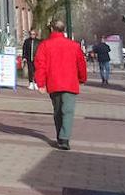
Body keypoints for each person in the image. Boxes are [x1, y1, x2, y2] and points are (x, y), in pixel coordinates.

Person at [34, 19, 87, 150]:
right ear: (63, 30)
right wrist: (82, 78)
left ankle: (60, 136)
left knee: (58, 111)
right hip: (70, 82)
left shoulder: (45, 45)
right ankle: (64, 138)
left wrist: (40, 83)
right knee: (68, 111)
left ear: (51, 29)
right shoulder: (74, 46)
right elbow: (81, 64)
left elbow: (40, 65)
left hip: (54, 82)